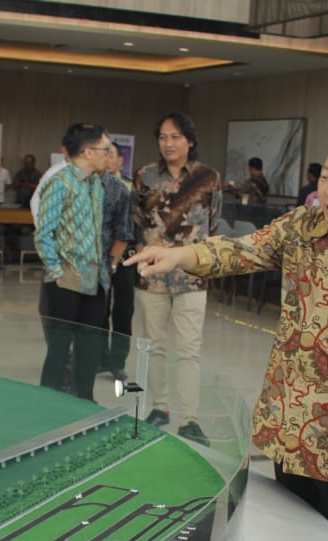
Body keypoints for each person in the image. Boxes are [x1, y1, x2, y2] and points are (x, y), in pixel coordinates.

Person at [128, 127, 328, 541]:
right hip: (289, 435)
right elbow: (242, 251)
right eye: (325, 179)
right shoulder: (304, 227)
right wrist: (178, 256)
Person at [133, 111, 222, 445]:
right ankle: (159, 407)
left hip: (191, 278)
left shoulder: (208, 178)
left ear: (190, 141)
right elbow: (137, 222)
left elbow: (214, 227)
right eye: (163, 137)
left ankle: (189, 419)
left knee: (188, 350)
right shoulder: (145, 176)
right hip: (152, 278)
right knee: (153, 346)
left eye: (175, 137)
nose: (168, 144)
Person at [35, 123, 112, 401]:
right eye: (105, 149)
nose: (109, 154)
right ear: (88, 152)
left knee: (89, 349)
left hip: (95, 280)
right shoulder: (60, 183)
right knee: (59, 349)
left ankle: (86, 404)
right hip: (66, 278)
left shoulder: (96, 184)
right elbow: (44, 234)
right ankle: (48, 404)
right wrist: (56, 272)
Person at [100, 140, 135, 382]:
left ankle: (118, 361)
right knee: (99, 309)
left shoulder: (130, 188)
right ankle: (100, 357)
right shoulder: (94, 184)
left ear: (120, 160)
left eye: (110, 154)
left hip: (125, 258)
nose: (107, 159)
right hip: (100, 258)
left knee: (123, 311)